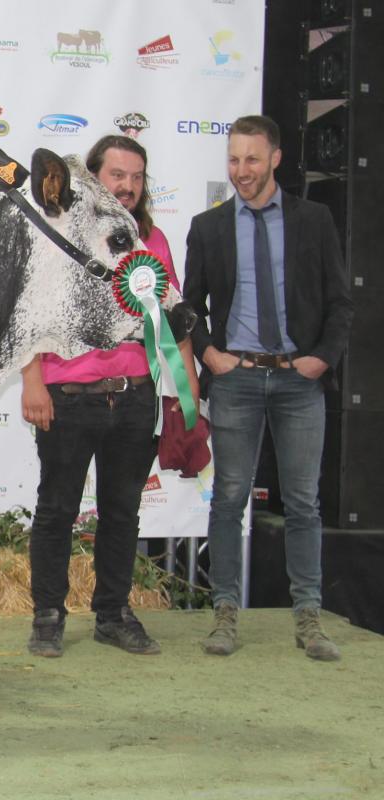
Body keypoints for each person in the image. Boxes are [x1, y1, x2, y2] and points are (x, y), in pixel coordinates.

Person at [22, 134, 199, 658]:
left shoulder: (153, 242)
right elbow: (29, 312)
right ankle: (48, 616)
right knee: (57, 509)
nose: (126, 186)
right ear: (94, 177)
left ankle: (113, 613)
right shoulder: (60, 236)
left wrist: (182, 401)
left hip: (136, 395)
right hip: (69, 393)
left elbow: (173, 325)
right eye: (116, 175)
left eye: (136, 177)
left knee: (122, 511)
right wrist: (33, 382)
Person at [182, 115, 353, 661]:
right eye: (233, 160)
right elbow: (189, 308)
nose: (241, 171)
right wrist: (210, 354)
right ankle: (225, 613)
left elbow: (339, 304)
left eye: (252, 160)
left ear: (275, 158)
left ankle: (309, 617)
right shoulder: (207, 228)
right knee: (228, 499)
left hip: (299, 382)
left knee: (303, 502)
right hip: (237, 383)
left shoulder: (315, 219)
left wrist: (321, 359)